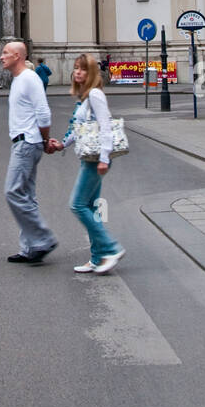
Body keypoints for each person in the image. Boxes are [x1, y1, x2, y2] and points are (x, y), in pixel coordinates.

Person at [60, 54, 125, 274]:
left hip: (96, 159)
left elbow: (105, 126)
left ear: (92, 74)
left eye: (83, 69)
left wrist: (105, 158)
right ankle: (97, 258)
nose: (78, 72)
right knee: (89, 207)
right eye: (76, 68)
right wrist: (62, 145)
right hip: (90, 158)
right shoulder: (85, 97)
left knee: (77, 204)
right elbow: (80, 130)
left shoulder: (95, 94)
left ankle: (110, 248)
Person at [2, 40, 58, 264]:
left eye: (5, 53)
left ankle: (43, 238)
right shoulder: (19, 80)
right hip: (24, 141)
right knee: (26, 196)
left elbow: (43, 113)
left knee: (12, 192)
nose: (1, 57)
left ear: (17, 55)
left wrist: (45, 140)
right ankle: (29, 248)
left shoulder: (28, 78)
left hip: (27, 143)